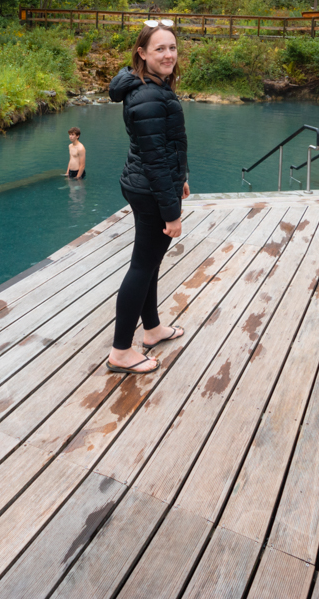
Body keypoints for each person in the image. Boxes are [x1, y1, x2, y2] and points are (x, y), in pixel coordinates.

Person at [105, 20, 190, 375]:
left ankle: (152, 329)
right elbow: (155, 161)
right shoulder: (148, 96)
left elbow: (165, 146)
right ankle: (121, 351)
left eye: (172, 47)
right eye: (160, 49)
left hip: (147, 184)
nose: (168, 54)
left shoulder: (151, 85)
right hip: (151, 190)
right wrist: (172, 213)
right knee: (142, 266)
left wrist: (181, 177)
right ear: (142, 53)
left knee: (150, 261)